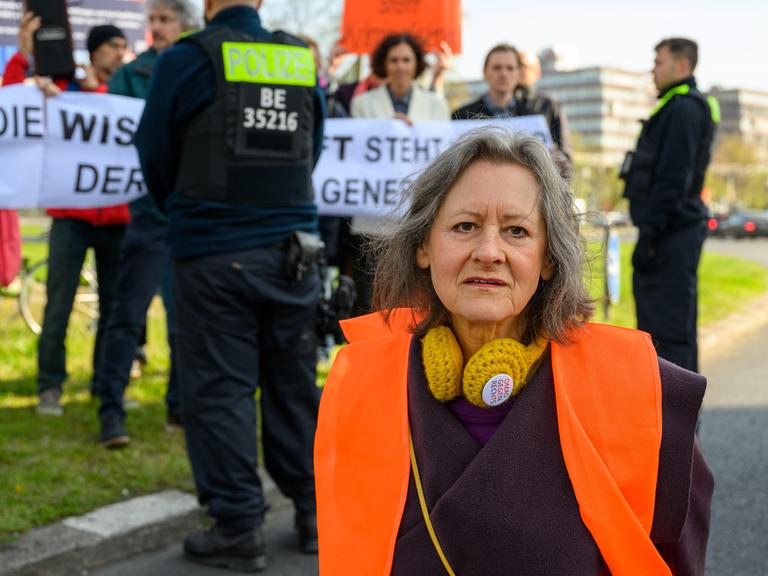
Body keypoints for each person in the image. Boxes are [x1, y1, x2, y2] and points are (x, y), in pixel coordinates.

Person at [315, 128, 713, 575]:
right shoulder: (360, 385)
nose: (489, 252)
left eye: (516, 231)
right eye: (464, 226)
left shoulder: (642, 394)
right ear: (423, 247)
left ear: (548, 258)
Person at [134, 0, 325, 570]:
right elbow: (311, 143)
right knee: (293, 384)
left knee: (220, 390)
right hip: (293, 252)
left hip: (214, 252)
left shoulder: (188, 57)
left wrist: (190, 208)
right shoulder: (295, 58)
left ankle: (239, 526)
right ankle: (315, 512)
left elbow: (154, 150)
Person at [3, 16, 131, 416]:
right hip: (71, 218)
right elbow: (13, 103)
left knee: (114, 310)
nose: (118, 53)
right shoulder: (64, 91)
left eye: (121, 46)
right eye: (111, 45)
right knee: (58, 305)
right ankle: (50, 386)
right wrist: (24, 57)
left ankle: (106, 385)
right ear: (94, 51)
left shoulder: (125, 92)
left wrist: (102, 92)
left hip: (118, 221)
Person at [96, 0, 200, 448]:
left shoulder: (199, 69)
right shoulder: (131, 73)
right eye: (151, 20)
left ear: (184, 25)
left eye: (164, 20)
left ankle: (179, 407)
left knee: (184, 321)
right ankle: (110, 411)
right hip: (147, 216)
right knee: (126, 316)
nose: (156, 28)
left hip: (186, 217)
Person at [621, 38, 718, 373]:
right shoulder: (676, 106)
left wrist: (649, 237)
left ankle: (676, 423)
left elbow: (672, 179)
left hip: (669, 236)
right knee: (661, 331)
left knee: (669, 336)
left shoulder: (684, 108)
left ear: (682, 66)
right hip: (670, 233)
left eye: (659, 63)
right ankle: (665, 420)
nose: (653, 70)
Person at [348, 32, 450, 311]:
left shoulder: (436, 105)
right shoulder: (362, 104)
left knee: (416, 294)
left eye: (406, 59)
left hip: (417, 214)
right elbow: (355, 153)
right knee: (372, 292)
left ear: (416, 64)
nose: (400, 66)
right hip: (373, 215)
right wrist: (383, 131)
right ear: (384, 64)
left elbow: (442, 155)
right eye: (394, 60)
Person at [452, 43, 572, 173]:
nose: (503, 73)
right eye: (497, 68)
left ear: (518, 73)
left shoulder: (539, 114)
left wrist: (555, 159)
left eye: (510, 68)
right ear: (485, 72)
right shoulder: (462, 116)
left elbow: (566, 163)